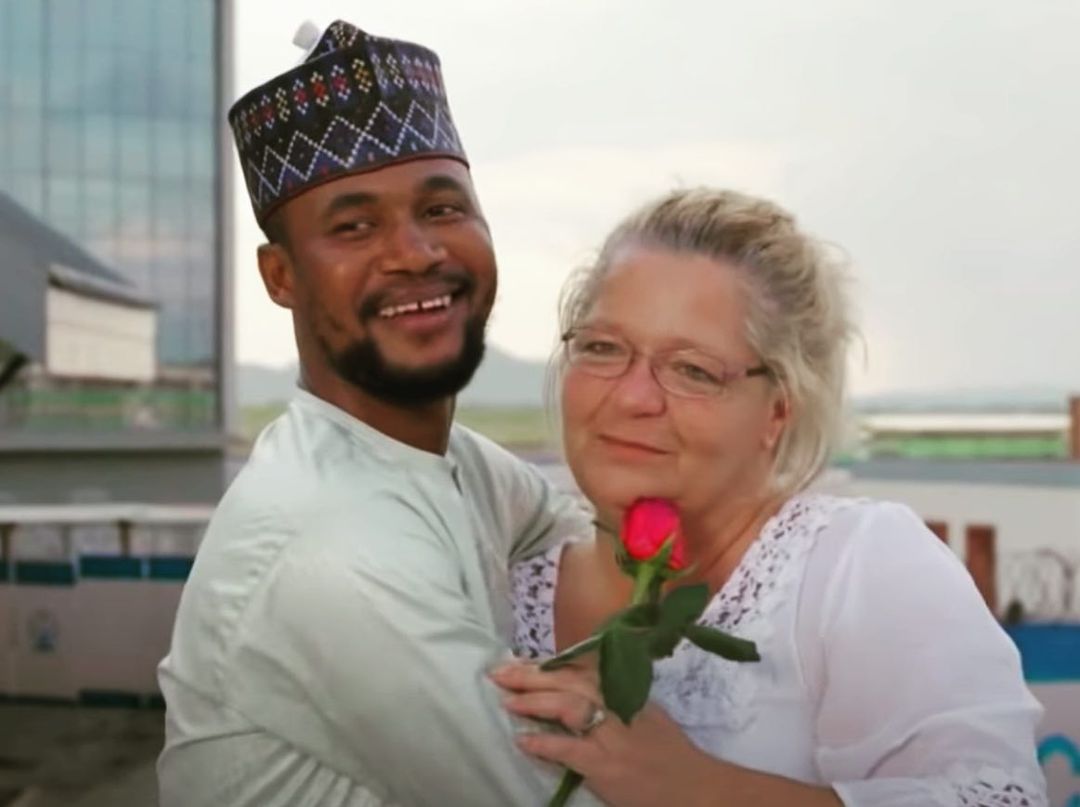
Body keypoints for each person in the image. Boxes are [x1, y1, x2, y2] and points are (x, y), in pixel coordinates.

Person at [157, 20, 603, 807]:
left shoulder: (448, 458)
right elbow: (560, 795)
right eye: (354, 226)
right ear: (280, 275)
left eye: (441, 208)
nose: (415, 252)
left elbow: (566, 528)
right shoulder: (326, 544)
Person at [494, 188, 1048, 806]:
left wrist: (695, 790)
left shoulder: (851, 570)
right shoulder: (493, 588)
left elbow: (1002, 799)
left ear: (779, 409)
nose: (632, 397)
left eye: (693, 370)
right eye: (601, 348)